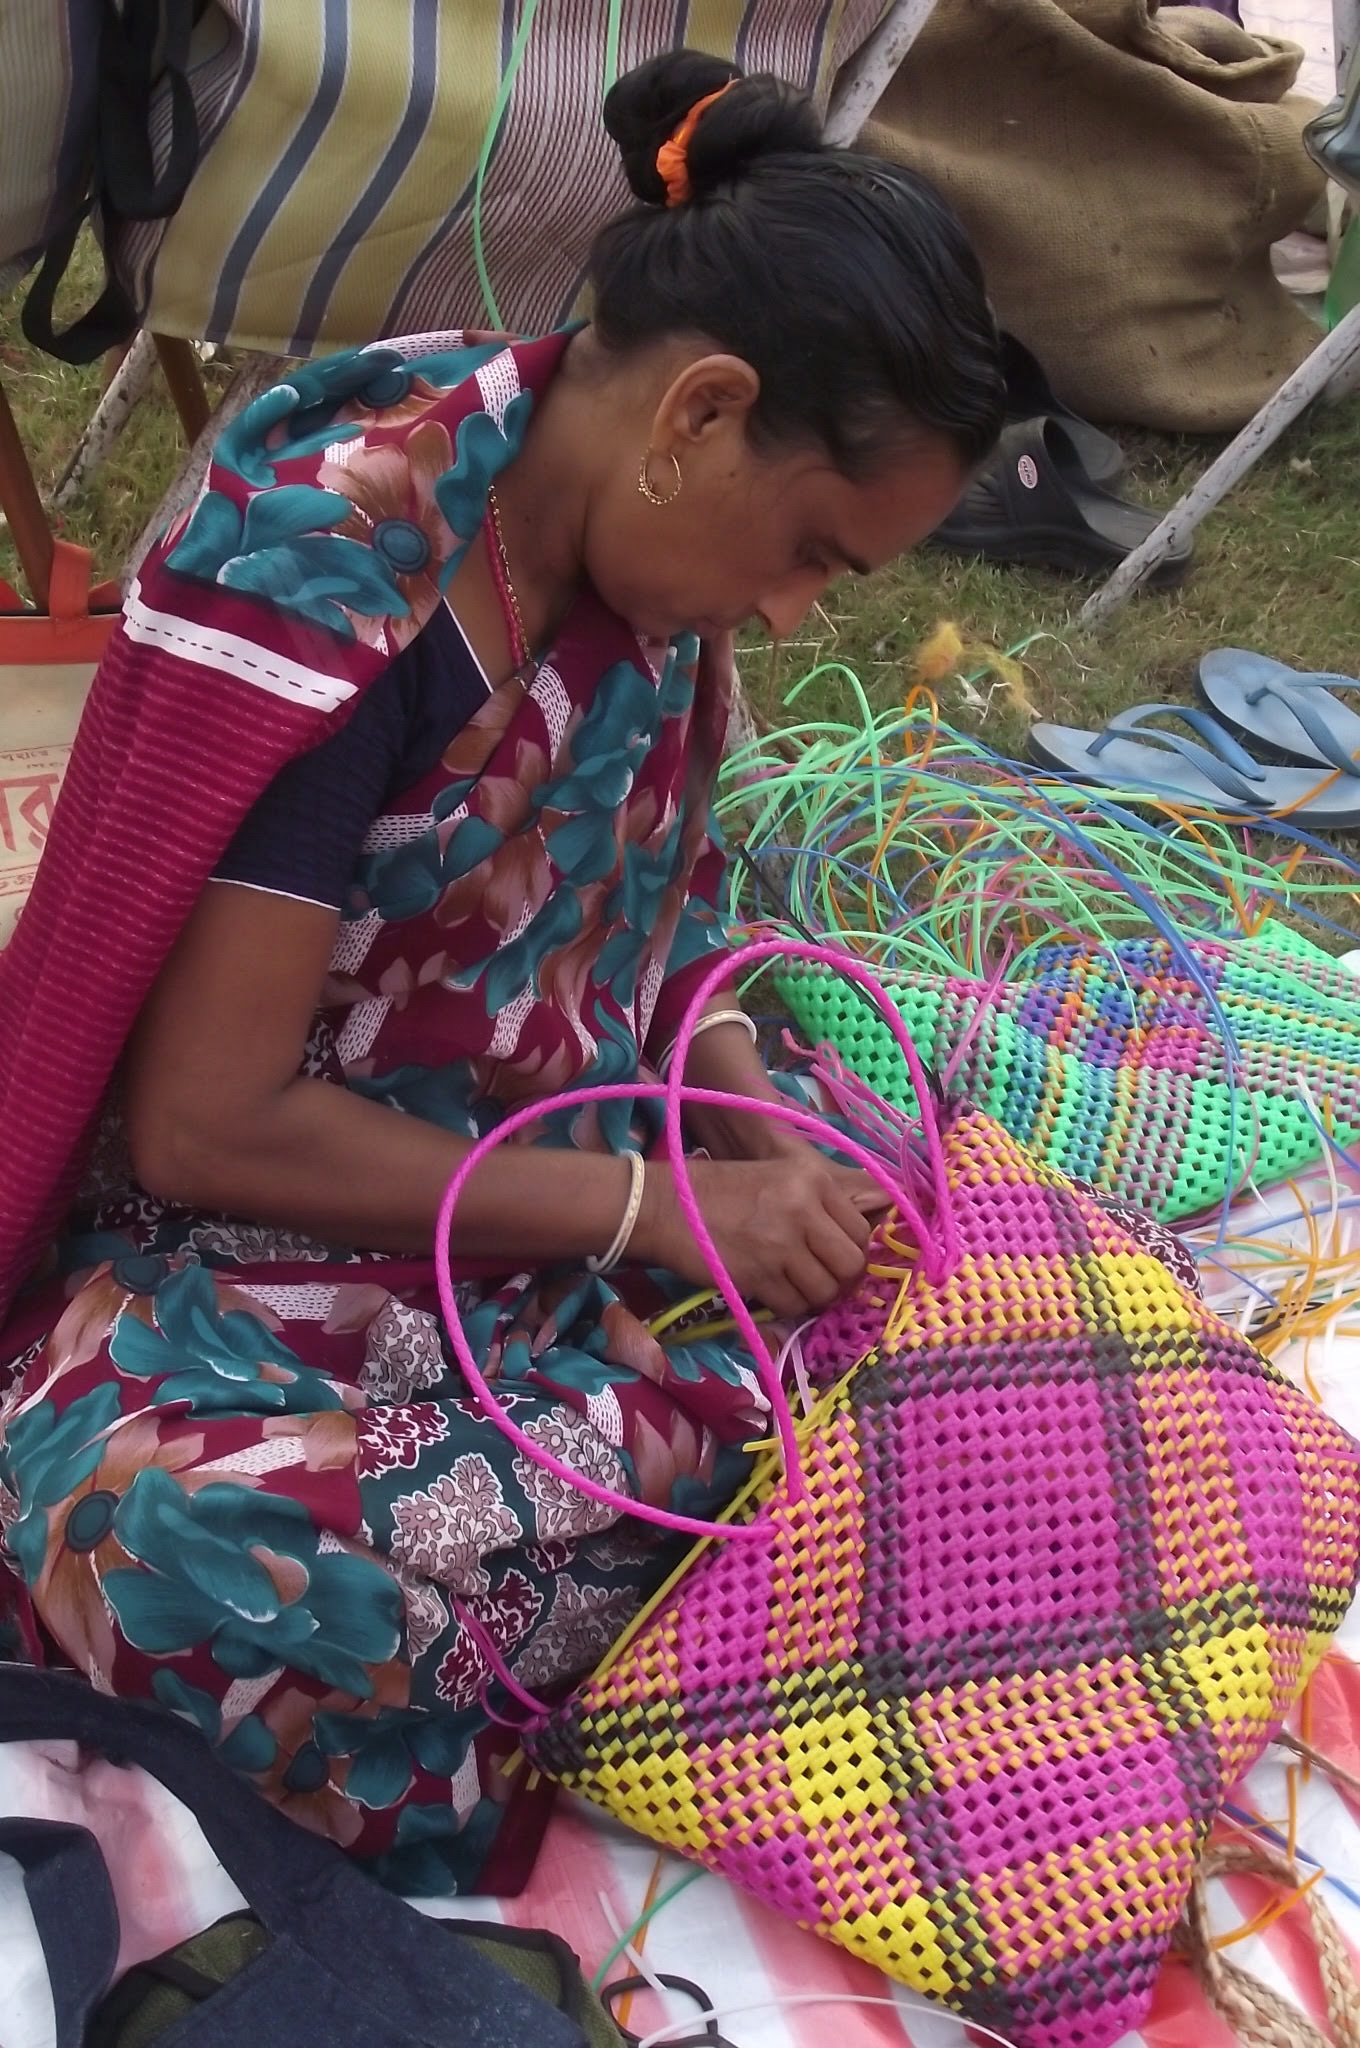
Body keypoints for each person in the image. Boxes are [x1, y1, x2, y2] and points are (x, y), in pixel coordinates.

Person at [0, 51, 1003, 1893]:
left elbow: (653, 921)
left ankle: (653, 1552)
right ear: (698, 415)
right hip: (215, 1293)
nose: (790, 617)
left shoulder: (635, 584)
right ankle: (667, 1592)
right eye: (808, 556)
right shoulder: (339, 567)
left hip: (509, 1268)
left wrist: (752, 1131)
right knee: (180, 1541)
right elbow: (205, 1127)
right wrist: (653, 1204)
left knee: (888, 1296)